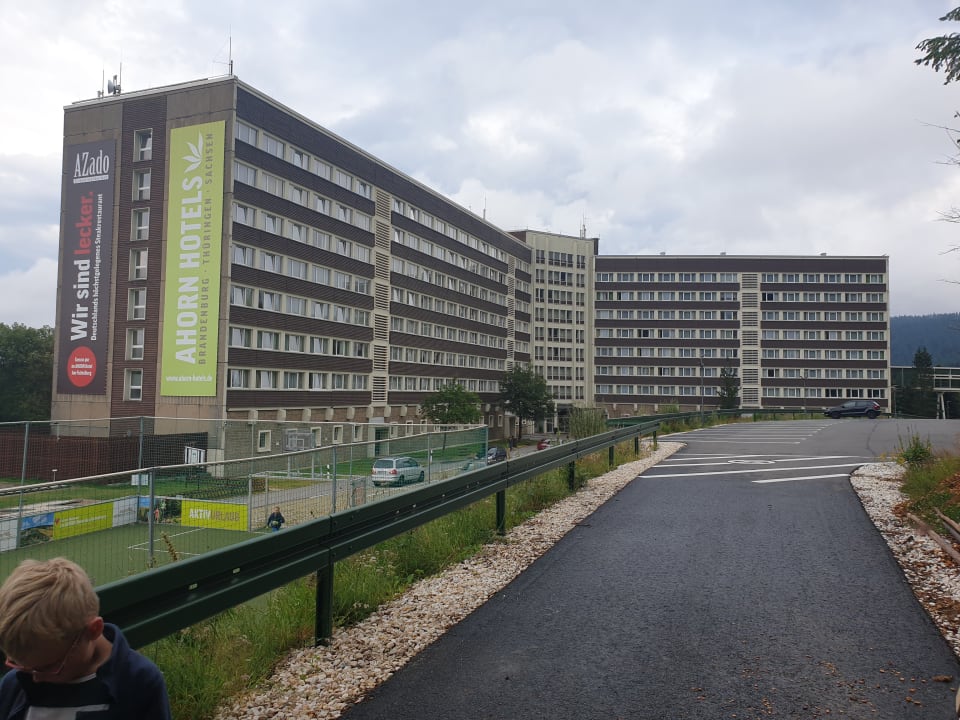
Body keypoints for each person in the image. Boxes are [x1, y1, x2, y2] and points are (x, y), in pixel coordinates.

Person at [0, 557, 171, 720]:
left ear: (93, 630)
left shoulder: (140, 683)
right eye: (20, 665)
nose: (35, 678)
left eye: (49, 667)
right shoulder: (13, 685)